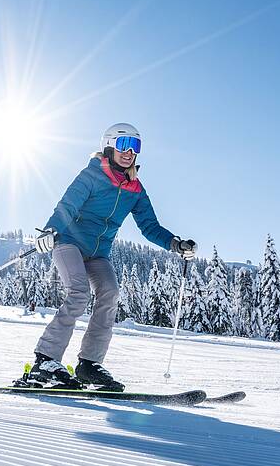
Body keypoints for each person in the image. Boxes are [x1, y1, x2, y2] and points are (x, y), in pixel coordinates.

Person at [27, 123, 196, 390]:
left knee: (110, 293)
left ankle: (89, 365)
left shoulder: (135, 189)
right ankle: (45, 360)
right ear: (108, 146)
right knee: (79, 294)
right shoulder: (92, 175)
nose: (129, 152)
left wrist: (174, 243)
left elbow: (149, 226)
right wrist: (51, 229)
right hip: (68, 242)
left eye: (135, 146)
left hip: (98, 253)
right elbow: (68, 205)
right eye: (123, 145)